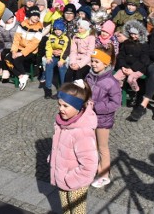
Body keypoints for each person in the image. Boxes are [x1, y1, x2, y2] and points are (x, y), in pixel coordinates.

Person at [49, 80, 98, 214]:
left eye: (65, 106)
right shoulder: (62, 123)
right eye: (59, 105)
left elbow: (90, 166)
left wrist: (70, 179)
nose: (61, 109)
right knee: (66, 210)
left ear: (77, 107)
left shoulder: (82, 132)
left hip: (76, 183)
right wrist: (53, 158)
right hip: (62, 176)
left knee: (77, 212)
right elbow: (59, 145)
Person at [86, 47, 121, 188]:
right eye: (92, 61)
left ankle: (105, 175)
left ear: (106, 64)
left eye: (97, 62)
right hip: (89, 117)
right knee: (91, 146)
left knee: (102, 147)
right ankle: (96, 169)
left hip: (103, 120)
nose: (93, 64)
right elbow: (86, 92)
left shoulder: (112, 82)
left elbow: (115, 103)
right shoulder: (89, 76)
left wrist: (96, 106)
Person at [43, 19, 70, 99]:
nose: (57, 31)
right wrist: (48, 56)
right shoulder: (51, 37)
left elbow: (66, 50)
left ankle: (63, 90)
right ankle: (48, 89)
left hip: (63, 57)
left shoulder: (66, 38)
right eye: (55, 29)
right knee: (49, 64)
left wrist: (62, 60)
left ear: (62, 29)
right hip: (54, 56)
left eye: (59, 29)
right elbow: (49, 47)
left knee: (61, 68)